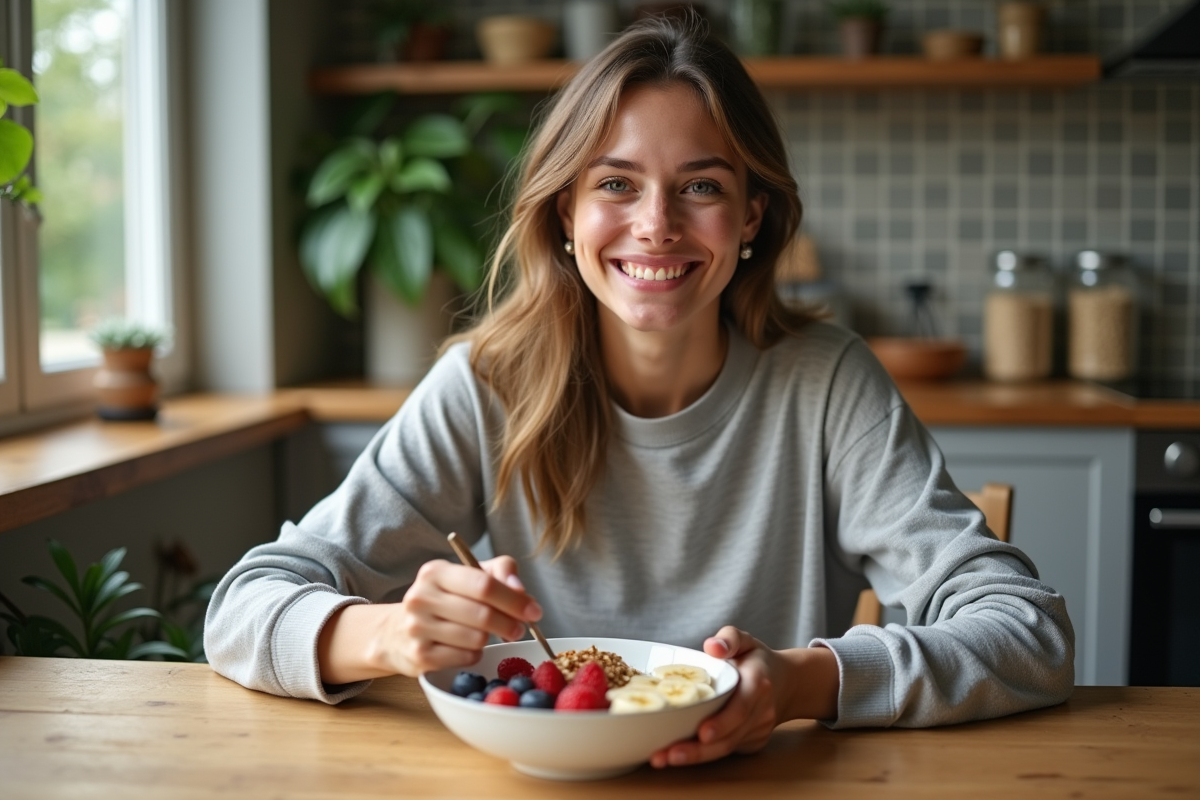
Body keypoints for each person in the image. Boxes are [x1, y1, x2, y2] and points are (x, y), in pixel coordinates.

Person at [205, 14, 1074, 769]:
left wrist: (805, 681)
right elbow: (241, 609)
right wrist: (386, 636)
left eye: (701, 187)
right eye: (616, 184)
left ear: (751, 220)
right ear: (564, 215)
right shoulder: (484, 385)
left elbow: (1030, 635)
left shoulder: (827, 382)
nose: (656, 223)